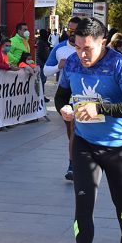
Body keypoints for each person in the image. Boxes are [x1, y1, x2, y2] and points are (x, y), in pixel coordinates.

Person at [55, 17, 122, 243]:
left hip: (119, 147)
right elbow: (61, 95)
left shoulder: (120, 65)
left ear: (102, 43)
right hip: (85, 144)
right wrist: (64, 109)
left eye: (88, 48)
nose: (81, 54)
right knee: (83, 205)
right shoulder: (72, 62)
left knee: (121, 202)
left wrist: (99, 108)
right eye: (77, 46)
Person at [46, 17, 80, 181]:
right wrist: (58, 67)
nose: (71, 33)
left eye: (75, 31)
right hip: (67, 94)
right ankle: (73, 164)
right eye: (70, 30)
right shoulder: (59, 48)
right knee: (72, 131)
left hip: (92, 102)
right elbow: (45, 71)